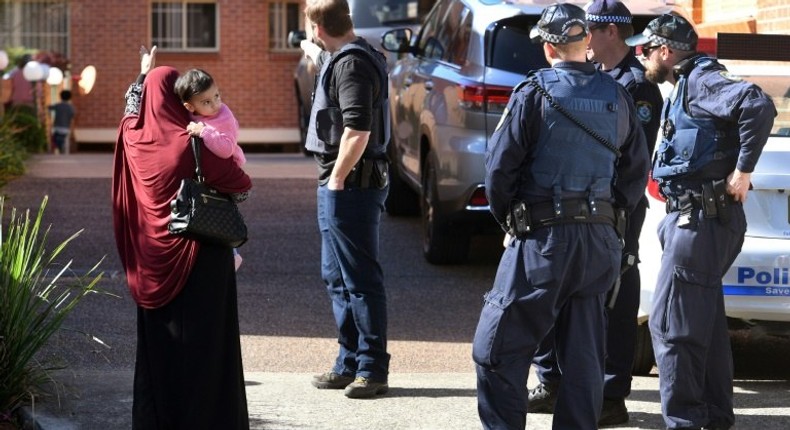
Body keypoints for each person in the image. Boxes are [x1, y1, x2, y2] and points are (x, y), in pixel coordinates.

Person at [471, 3, 650, 428]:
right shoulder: (618, 95)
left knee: (495, 348)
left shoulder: (534, 92)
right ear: (586, 41)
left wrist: (509, 222)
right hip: (599, 244)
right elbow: (635, 173)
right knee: (584, 358)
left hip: (544, 242)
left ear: (549, 47)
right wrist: (608, 216)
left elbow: (499, 172)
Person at [625, 14, 776, 430]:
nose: (641, 57)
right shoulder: (688, 83)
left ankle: (687, 421)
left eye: (646, 49)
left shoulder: (702, 81)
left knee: (672, 326)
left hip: (701, 222)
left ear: (666, 51)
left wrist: (743, 170)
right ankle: (712, 416)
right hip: (700, 221)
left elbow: (758, 105)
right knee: (702, 324)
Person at [527, 0, 663, 426]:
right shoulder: (595, 78)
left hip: (613, 209)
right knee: (556, 291)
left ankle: (610, 394)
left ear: (607, 32)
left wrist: (614, 210)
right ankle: (553, 381)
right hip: (571, 208)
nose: (582, 39)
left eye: (587, 30)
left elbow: (632, 163)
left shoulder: (637, 87)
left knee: (614, 299)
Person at [112, 45, 252, 429]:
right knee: (208, 351)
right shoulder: (189, 144)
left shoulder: (133, 139)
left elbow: (129, 113)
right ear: (180, 102)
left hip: (151, 263)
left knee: (160, 351)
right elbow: (241, 185)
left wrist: (142, 76)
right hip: (200, 258)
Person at [299, 0, 392, 399]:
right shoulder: (345, 55)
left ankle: (371, 368)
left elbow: (357, 129)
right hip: (342, 184)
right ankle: (348, 362)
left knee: (359, 280)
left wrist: (336, 179)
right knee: (336, 278)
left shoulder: (353, 65)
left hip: (351, 186)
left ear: (318, 27)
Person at [174, 68, 247, 271]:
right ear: (190, 106)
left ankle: (233, 254)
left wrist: (204, 131)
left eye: (216, 96)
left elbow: (225, 149)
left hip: (225, 175)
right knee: (206, 212)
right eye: (206, 102)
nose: (215, 104)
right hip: (204, 174)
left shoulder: (224, 115)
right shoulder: (188, 113)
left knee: (221, 211)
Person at [48, 89, 76, 154]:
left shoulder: (58, 105)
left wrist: (49, 116)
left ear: (60, 96)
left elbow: (49, 107)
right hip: (66, 127)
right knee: (64, 139)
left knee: (55, 138)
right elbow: (73, 118)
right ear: (70, 97)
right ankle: (63, 148)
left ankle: (57, 147)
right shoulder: (71, 107)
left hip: (56, 126)